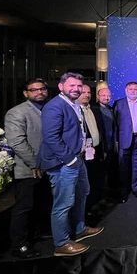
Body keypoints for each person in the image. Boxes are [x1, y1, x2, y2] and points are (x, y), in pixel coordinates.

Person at [38, 72, 103, 257]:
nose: (76, 89)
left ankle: (79, 229)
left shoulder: (73, 105)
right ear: (61, 86)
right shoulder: (54, 106)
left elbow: (77, 132)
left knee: (83, 192)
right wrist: (71, 160)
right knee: (63, 203)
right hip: (64, 163)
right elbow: (51, 138)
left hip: (77, 158)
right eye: (72, 85)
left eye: (79, 86)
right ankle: (61, 243)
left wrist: (84, 149)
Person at [5, 78, 50, 259]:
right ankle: (19, 245)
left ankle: (34, 235)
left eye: (42, 89)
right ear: (26, 93)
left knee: (39, 204)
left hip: (45, 167)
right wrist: (34, 163)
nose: (39, 92)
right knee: (24, 207)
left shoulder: (46, 110)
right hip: (28, 169)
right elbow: (17, 142)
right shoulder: (17, 112)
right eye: (34, 90)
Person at [113, 81, 137, 202]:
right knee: (123, 167)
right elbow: (114, 125)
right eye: (131, 89)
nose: (133, 91)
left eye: (135, 89)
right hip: (124, 140)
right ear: (126, 90)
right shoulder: (118, 103)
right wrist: (115, 141)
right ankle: (123, 192)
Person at [76, 84, 107, 220]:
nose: (87, 95)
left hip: (97, 149)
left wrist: (104, 149)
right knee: (86, 181)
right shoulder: (75, 111)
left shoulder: (94, 109)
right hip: (84, 152)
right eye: (83, 92)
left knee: (97, 178)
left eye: (89, 92)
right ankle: (87, 209)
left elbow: (101, 131)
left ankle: (96, 202)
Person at [96, 88, 118, 199]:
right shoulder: (94, 110)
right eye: (104, 95)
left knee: (109, 172)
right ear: (98, 96)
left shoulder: (110, 109)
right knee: (99, 174)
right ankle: (99, 199)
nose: (106, 98)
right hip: (101, 147)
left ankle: (106, 197)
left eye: (108, 95)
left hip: (111, 146)